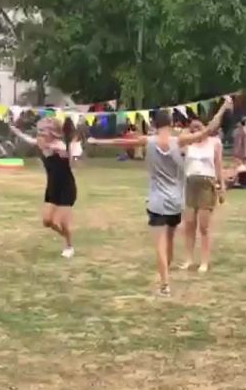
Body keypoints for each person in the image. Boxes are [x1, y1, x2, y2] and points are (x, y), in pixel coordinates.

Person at [88, 97, 233, 297]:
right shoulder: (178, 141)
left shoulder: (148, 141)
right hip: (175, 202)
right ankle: (167, 274)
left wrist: (97, 141)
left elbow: (121, 141)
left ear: (154, 124)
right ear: (171, 124)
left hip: (157, 202)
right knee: (170, 241)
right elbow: (209, 130)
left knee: (160, 244)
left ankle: (165, 283)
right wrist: (223, 108)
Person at [9, 118, 77, 258]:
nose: (40, 133)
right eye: (39, 130)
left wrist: (49, 147)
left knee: (63, 221)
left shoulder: (59, 145)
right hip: (52, 186)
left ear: (52, 132)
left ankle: (69, 246)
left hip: (66, 187)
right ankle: (66, 236)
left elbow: (62, 150)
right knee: (47, 221)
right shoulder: (42, 144)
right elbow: (27, 139)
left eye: (43, 130)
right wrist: (15, 131)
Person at [178, 117, 224, 274]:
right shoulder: (188, 144)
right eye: (193, 127)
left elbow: (218, 165)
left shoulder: (214, 142)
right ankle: (189, 259)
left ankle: (204, 261)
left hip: (207, 183)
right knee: (189, 223)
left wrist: (221, 187)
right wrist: (189, 131)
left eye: (199, 126)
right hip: (191, 183)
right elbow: (179, 138)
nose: (196, 128)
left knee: (204, 226)